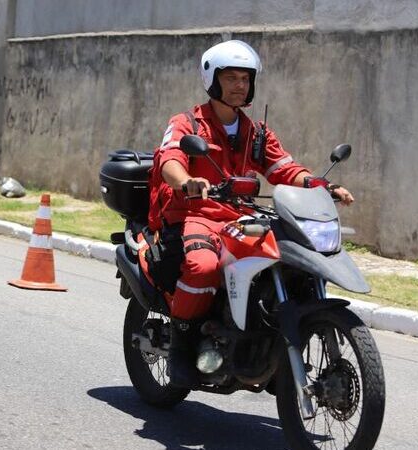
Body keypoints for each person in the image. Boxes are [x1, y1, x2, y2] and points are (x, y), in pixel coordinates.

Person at [147, 40, 354, 388]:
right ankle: (182, 342)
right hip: (199, 213)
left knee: (282, 262)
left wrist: (322, 186)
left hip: (240, 217)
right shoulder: (188, 124)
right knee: (204, 266)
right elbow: (169, 160)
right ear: (212, 78)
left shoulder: (256, 133)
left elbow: (284, 168)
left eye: (245, 78)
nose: (239, 85)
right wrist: (187, 182)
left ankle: (264, 341)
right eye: (231, 78)